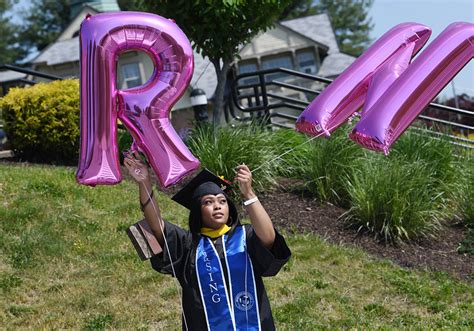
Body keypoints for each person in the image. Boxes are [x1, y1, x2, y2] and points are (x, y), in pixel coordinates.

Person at [124, 152, 291, 331]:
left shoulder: (245, 237)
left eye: (222, 201)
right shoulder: (188, 245)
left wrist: (248, 193)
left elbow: (269, 237)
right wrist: (144, 182)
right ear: (198, 210)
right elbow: (155, 226)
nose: (217, 205)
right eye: (208, 202)